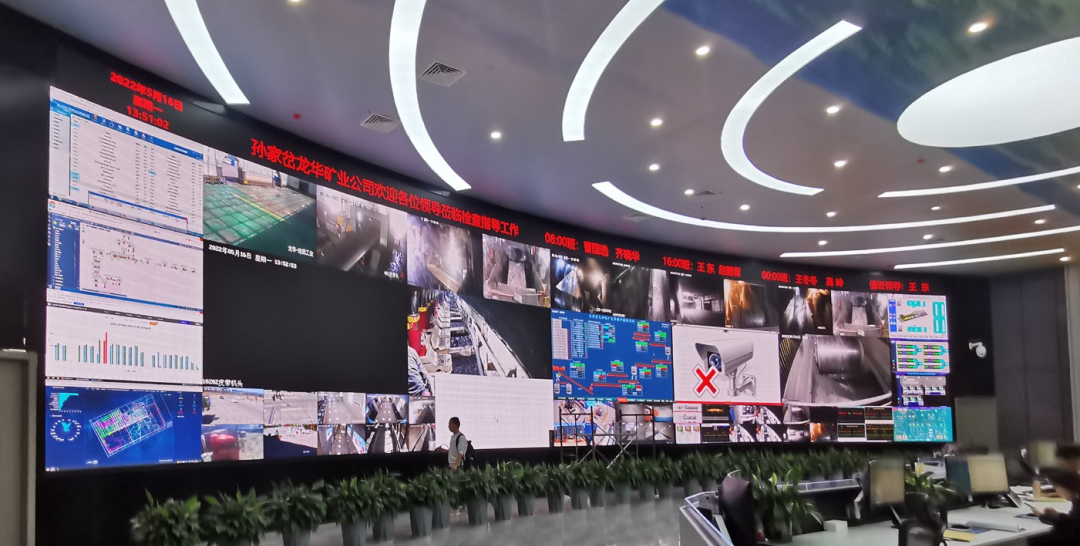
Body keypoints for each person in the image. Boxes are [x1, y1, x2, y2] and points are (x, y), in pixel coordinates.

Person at [1030, 469, 1080, 546]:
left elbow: (1071, 525)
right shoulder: (1077, 498)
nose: (1057, 492)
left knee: (1037, 539)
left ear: (1064, 487)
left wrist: (1043, 516)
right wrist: (1057, 515)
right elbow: (1073, 520)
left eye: (1057, 487)